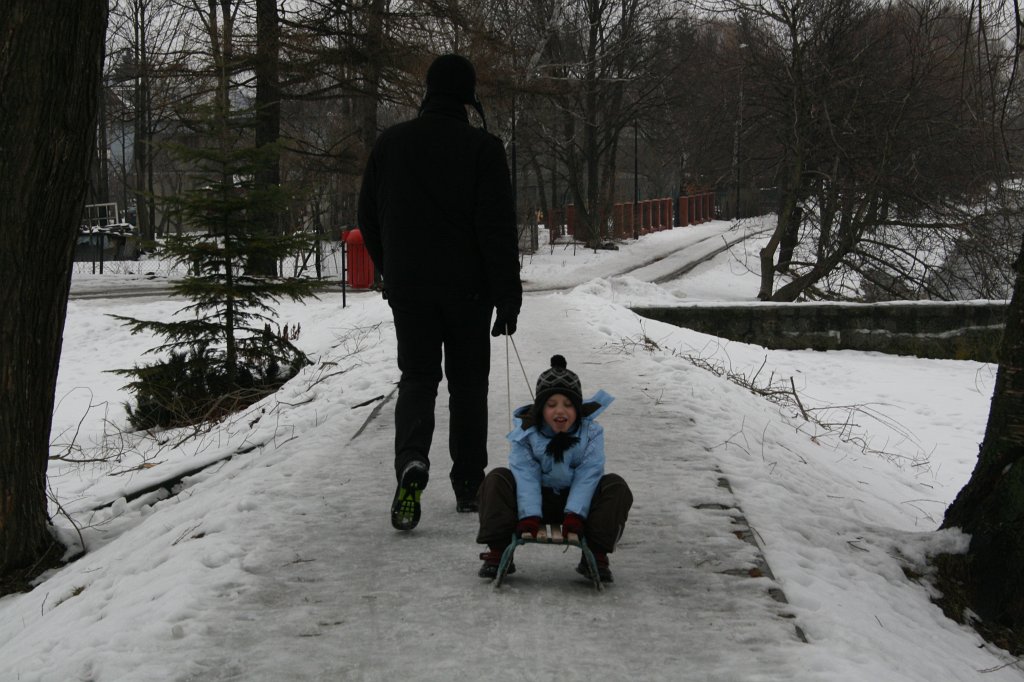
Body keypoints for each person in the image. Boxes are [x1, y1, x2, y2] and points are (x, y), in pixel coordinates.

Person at [358, 54, 522, 531]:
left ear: (427, 93)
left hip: (410, 289)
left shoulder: (390, 144)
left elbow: (367, 216)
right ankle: (470, 485)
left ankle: (412, 462)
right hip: (469, 293)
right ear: (469, 98)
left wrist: (392, 270)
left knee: (418, 378)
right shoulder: (483, 149)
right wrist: (506, 298)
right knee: (468, 385)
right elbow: (497, 230)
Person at [476, 355, 633, 582]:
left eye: (568, 405)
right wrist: (529, 514)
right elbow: (525, 473)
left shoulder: (591, 433)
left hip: (579, 504)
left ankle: (596, 556)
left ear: (578, 409)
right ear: (540, 409)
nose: (561, 411)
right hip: (533, 500)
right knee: (497, 478)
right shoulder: (526, 434)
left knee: (615, 486)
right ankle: (498, 552)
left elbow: (588, 474)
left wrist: (576, 514)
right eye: (552, 405)